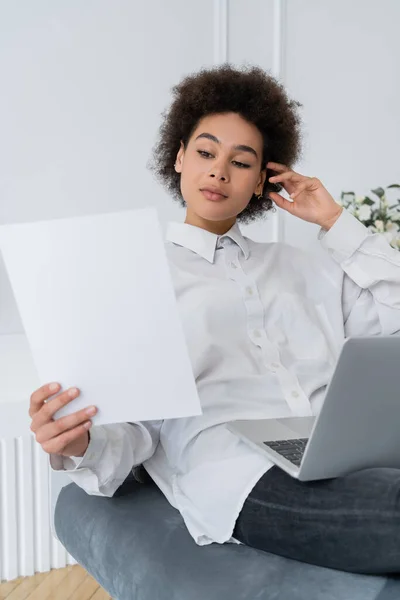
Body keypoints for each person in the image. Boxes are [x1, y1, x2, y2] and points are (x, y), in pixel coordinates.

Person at [29, 64, 400, 574]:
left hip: (343, 448)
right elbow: (138, 431)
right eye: (205, 153)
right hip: (241, 471)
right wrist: (81, 445)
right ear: (179, 157)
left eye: (241, 162)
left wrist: (336, 222)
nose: (219, 171)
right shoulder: (138, 276)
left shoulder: (310, 266)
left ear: (263, 180)